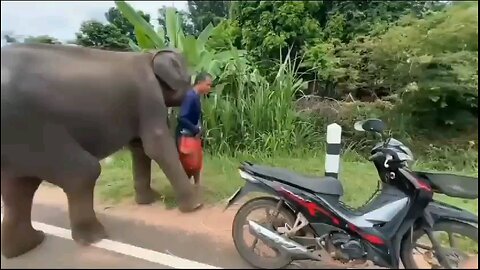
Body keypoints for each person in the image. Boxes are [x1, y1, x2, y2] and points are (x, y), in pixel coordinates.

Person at [175, 72, 213, 185]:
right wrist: (195, 129)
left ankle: (196, 188)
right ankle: (186, 191)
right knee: (190, 165)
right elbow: (181, 118)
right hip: (186, 135)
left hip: (193, 135)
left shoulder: (195, 96)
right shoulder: (190, 96)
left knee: (196, 164)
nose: (209, 88)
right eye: (208, 85)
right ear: (200, 83)